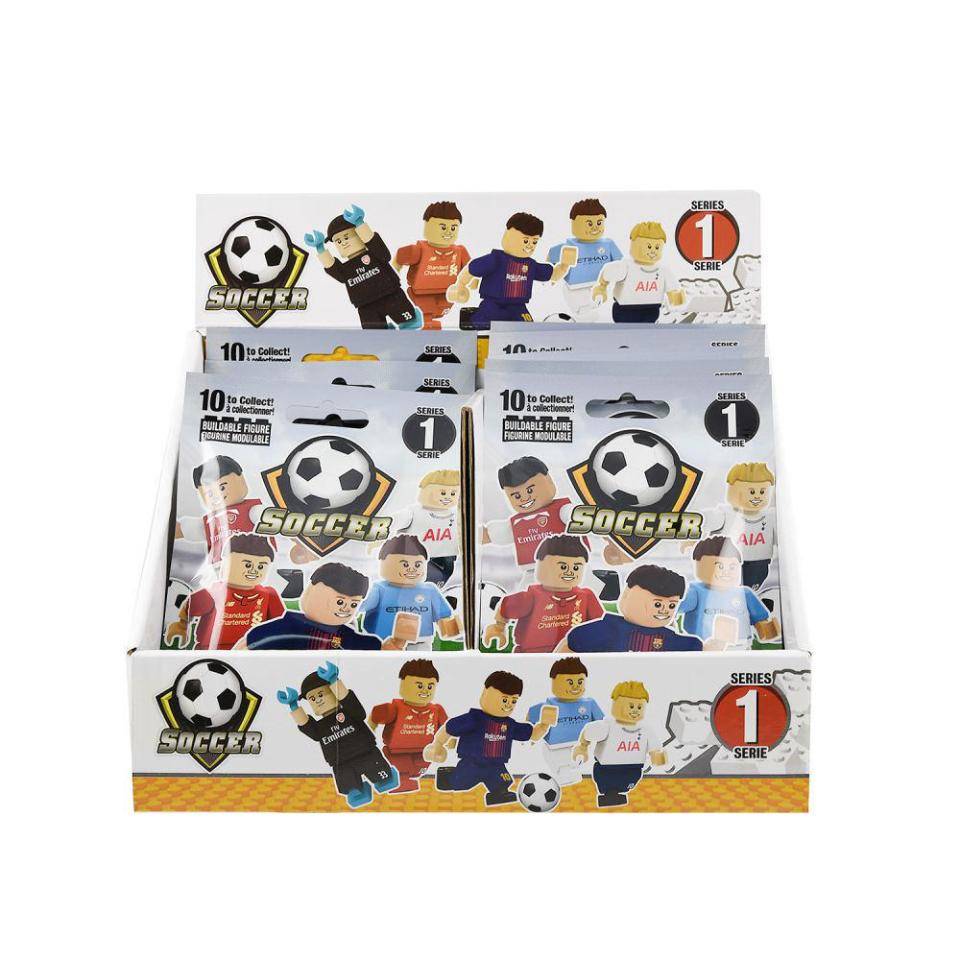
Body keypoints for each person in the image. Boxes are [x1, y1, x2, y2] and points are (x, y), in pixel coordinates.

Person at [277, 662, 399, 808]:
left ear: (333, 691)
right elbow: (309, 729)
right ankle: (355, 791)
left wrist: (334, 681)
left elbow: (357, 710)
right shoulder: (320, 727)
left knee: (380, 773)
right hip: (340, 762)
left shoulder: (349, 711)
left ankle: (384, 778)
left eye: (321, 694)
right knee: (349, 784)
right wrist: (294, 707)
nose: (318, 700)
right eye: (312, 699)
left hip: (365, 752)